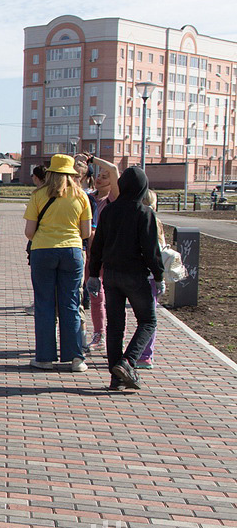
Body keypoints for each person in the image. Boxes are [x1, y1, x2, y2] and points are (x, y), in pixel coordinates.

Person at [87, 167, 163, 391]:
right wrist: (159, 276)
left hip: (110, 275)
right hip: (135, 275)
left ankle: (116, 378)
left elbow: (98, 244)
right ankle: (127, 362)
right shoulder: (144, 212)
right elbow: (151, 250)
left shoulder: (109, 211)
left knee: (115, 327)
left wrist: (93, 274)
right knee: (148, 321)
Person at [24, 154, 92, 372]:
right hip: (72, 252)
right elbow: (86, 232)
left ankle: (44, 357)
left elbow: (29, 232)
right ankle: (76, 358)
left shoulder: (39, 195)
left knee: (44, 304)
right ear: (72, 174)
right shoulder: (81, 196)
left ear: (50, 172)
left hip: (43, 250)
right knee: (71, 303)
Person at [84, 155, 120, 353]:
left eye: (105, 177)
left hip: (107, 253)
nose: (100, 178)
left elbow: (113, 168)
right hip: (89, 253)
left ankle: (109, 335)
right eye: (99, 175)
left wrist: (93, 159)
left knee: (108, 296)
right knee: (94, 294)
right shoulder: (88, 197)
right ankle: (98, 334)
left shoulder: (113, 198)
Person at [135, 189, 166, 371]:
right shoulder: (155, 220)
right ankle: (146, 354)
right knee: (148, 317)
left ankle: (144, 354)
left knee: (145, 318)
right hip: (150, 276)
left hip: (137, 274)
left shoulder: (135, 219)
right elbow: (159, 249)